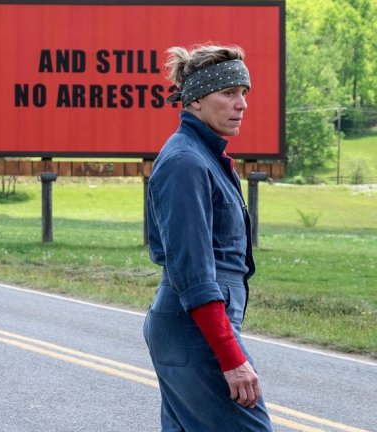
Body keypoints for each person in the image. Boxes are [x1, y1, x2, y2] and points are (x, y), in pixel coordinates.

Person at [143, 44, 274, 431]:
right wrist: (231, 357)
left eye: (244, 93)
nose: (242, 105)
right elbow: (194, 273)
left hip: (191, 328)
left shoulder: (202, 156)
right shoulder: (186, 162)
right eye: (229, 93)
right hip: (194, 329)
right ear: (196, 100)